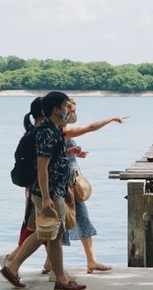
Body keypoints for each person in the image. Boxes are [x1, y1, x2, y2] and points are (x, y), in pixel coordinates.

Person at [0, 91, 85, 290]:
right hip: (48, 192)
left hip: (56, 190)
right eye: (66, 106)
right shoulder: (46, 131)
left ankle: (59, 278)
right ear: (56, 109)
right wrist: (47, 198)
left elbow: (54, 162)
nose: (68, 110)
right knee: (47, 233)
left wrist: (65, 185)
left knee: (52, 234)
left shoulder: (53, 129)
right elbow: (42, 167)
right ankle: (13, 267)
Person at [42, 104, 126, 277]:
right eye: (70, 109)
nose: (72, 113)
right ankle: (48, 263)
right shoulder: (61, 130)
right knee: (62, 224)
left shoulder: (58, 130)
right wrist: (111, 119)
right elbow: (89, 128)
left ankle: (81, 260)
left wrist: (72, 152)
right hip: (65, 185)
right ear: (60, 110)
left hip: (68, 182)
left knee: (73, 220)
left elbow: (57, 154)